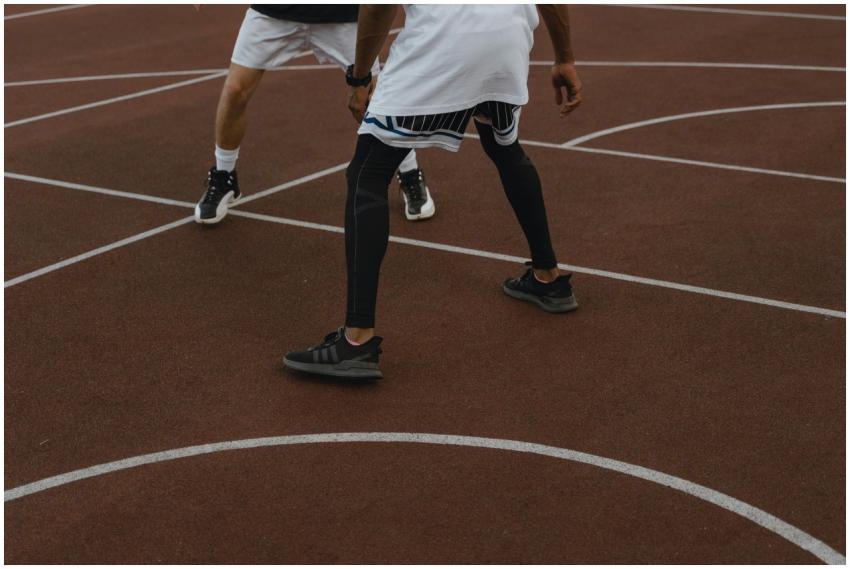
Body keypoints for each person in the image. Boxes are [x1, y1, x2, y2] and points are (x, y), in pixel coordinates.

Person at [283, 5, 583, 379]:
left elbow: (378, 7)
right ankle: (548, 278)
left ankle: (356, 342)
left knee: (367, 174)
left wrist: (359, 76)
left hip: (447, 43)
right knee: (505, 148)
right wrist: (565, 58)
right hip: (507, 38)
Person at [194, 4, 436, 225]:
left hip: (341, 15)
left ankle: (409, 173)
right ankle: (224, 176)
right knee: (235, 90)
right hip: (274, 13)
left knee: (373, 101)